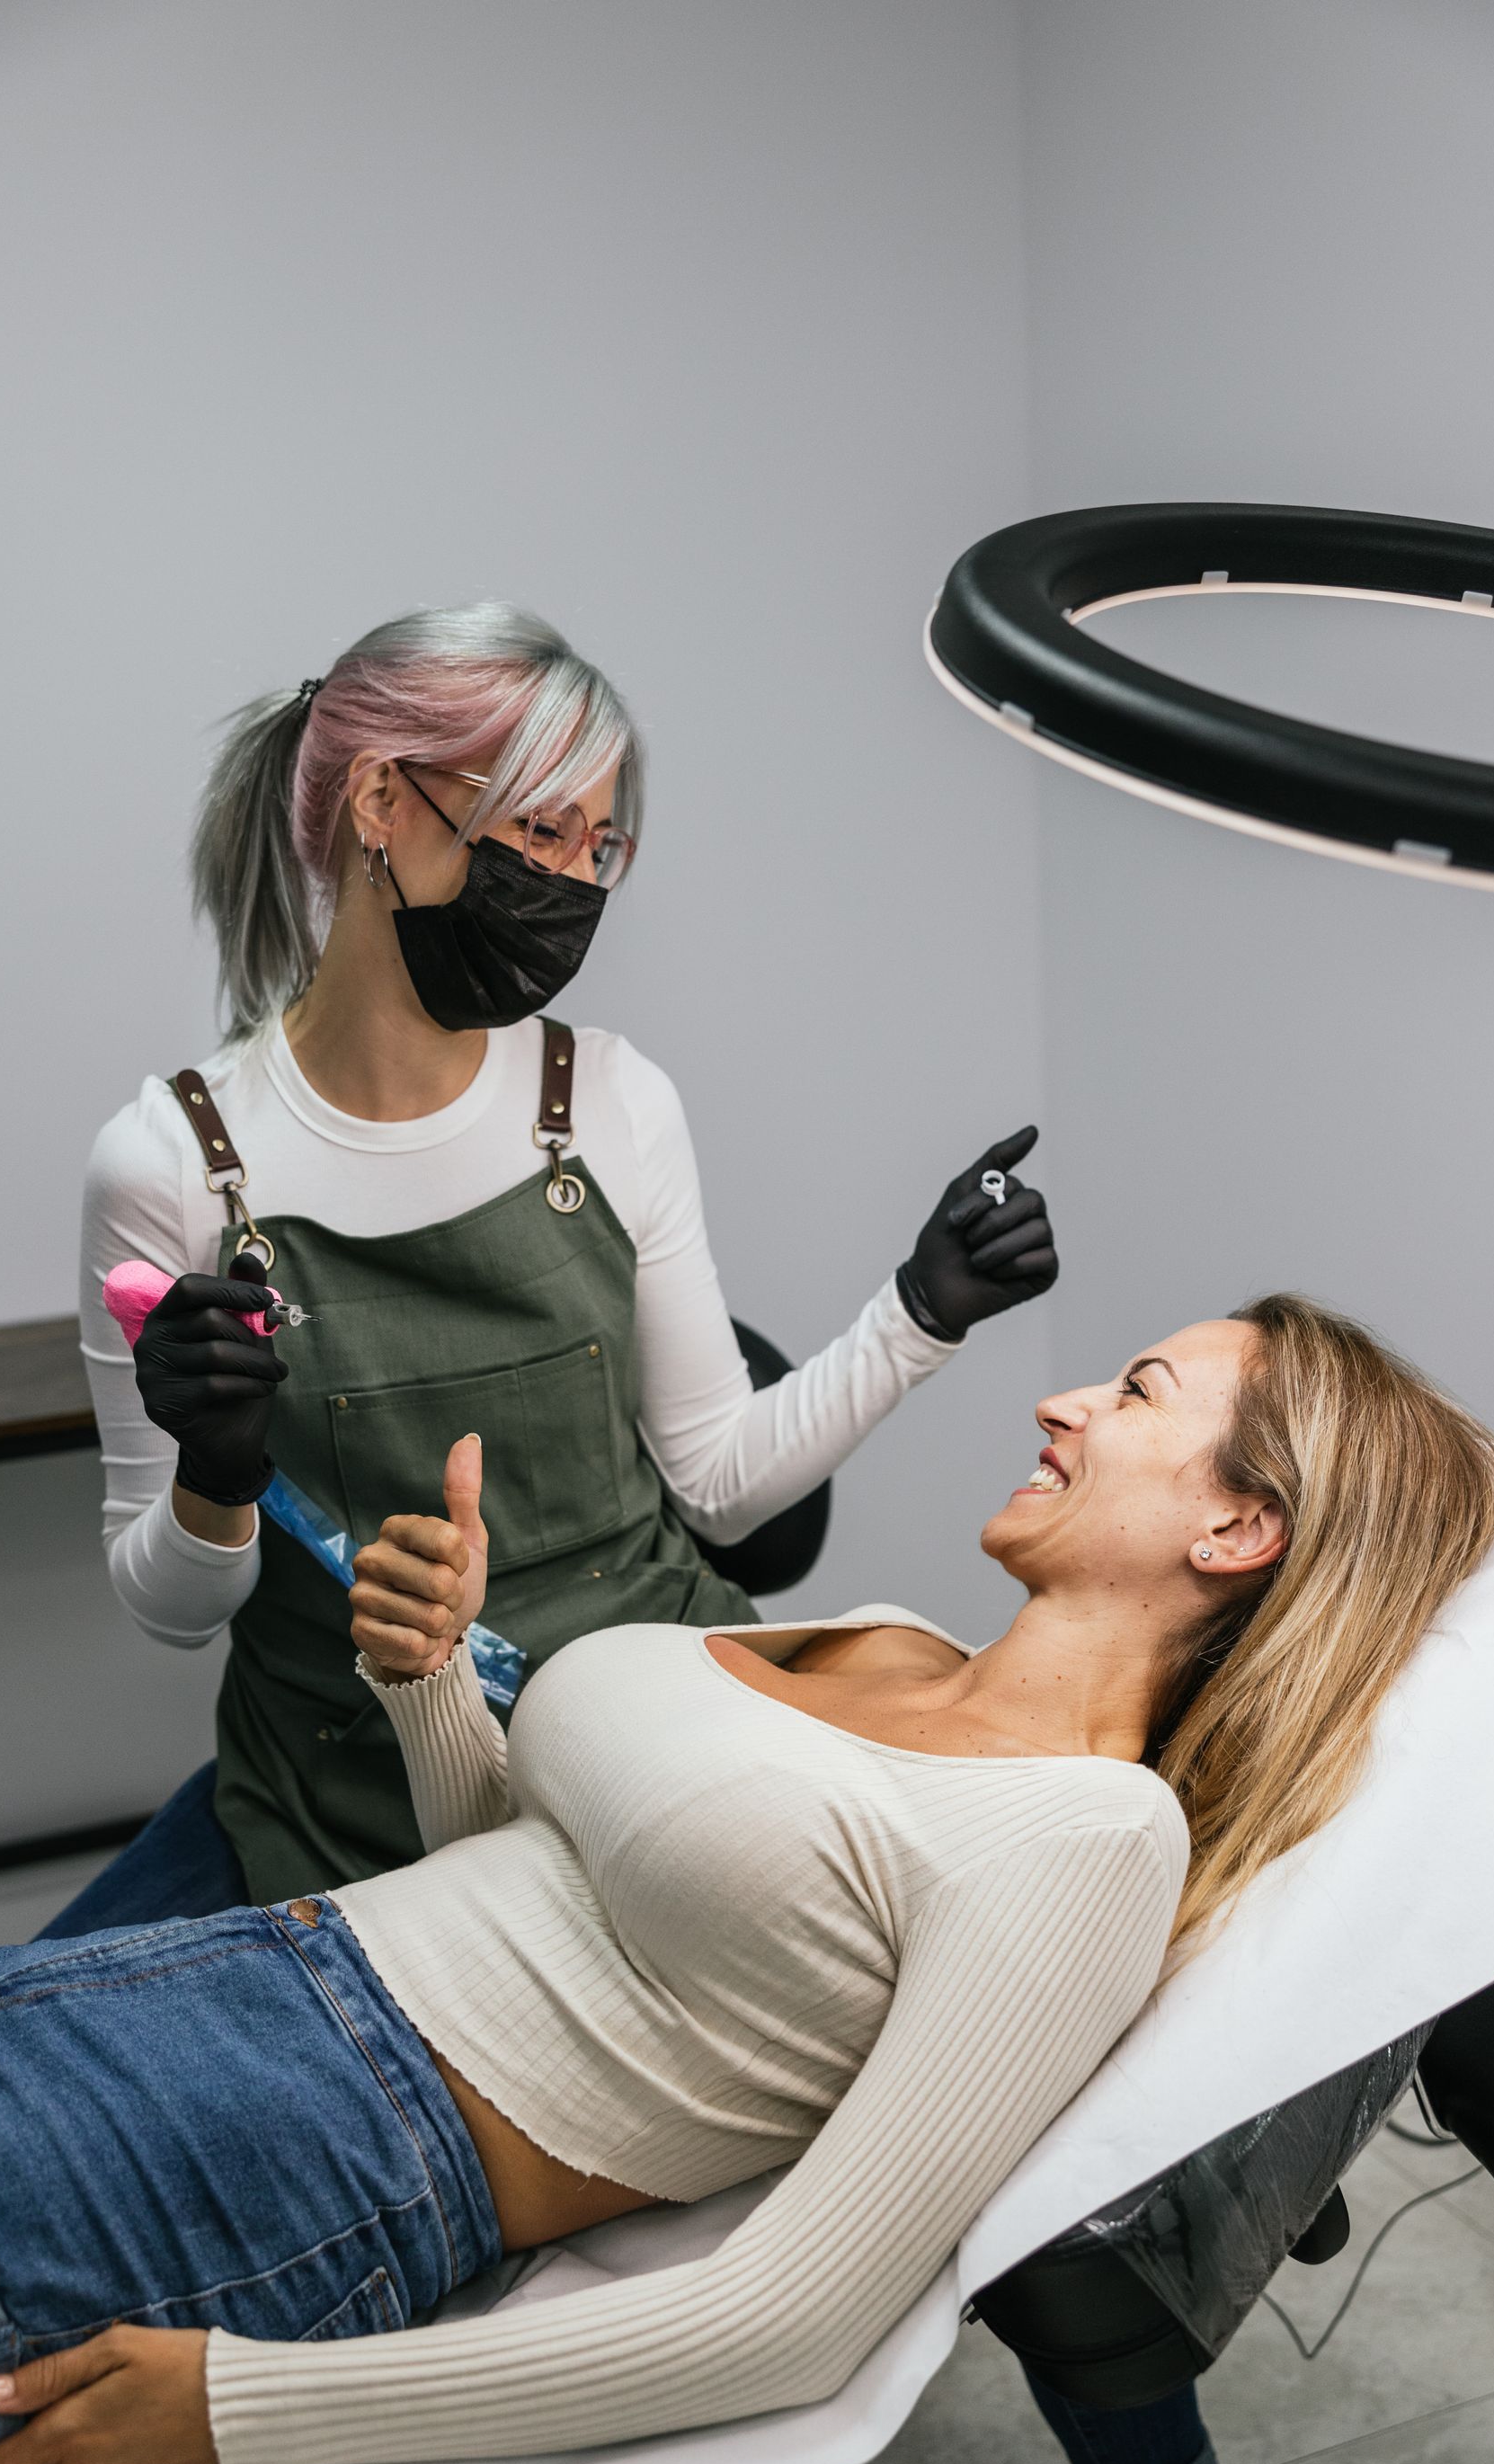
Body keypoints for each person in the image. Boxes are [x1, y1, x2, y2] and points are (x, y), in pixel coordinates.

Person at [0, 1294, 1494, 2464]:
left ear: (1237, 1533)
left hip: (282, 2130)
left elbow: (793, 2323)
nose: (1065, 1403)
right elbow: (547, 1892)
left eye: (1141, 1393)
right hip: (166, 1981)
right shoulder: (888, 1639)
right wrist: (430, 1678)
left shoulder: (1090, 1839)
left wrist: (242, 2409)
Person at [61, 601, 1056, 1925]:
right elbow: (173, 1612)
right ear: (381, 802)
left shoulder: (610, 1103)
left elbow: (722, 1493)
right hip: (360, 1802)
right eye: (540, 831)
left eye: (602, 845)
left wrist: (924, 1310)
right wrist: (215, 1481)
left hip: (664, 1715)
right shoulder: (174, 1163)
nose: (575, 885)